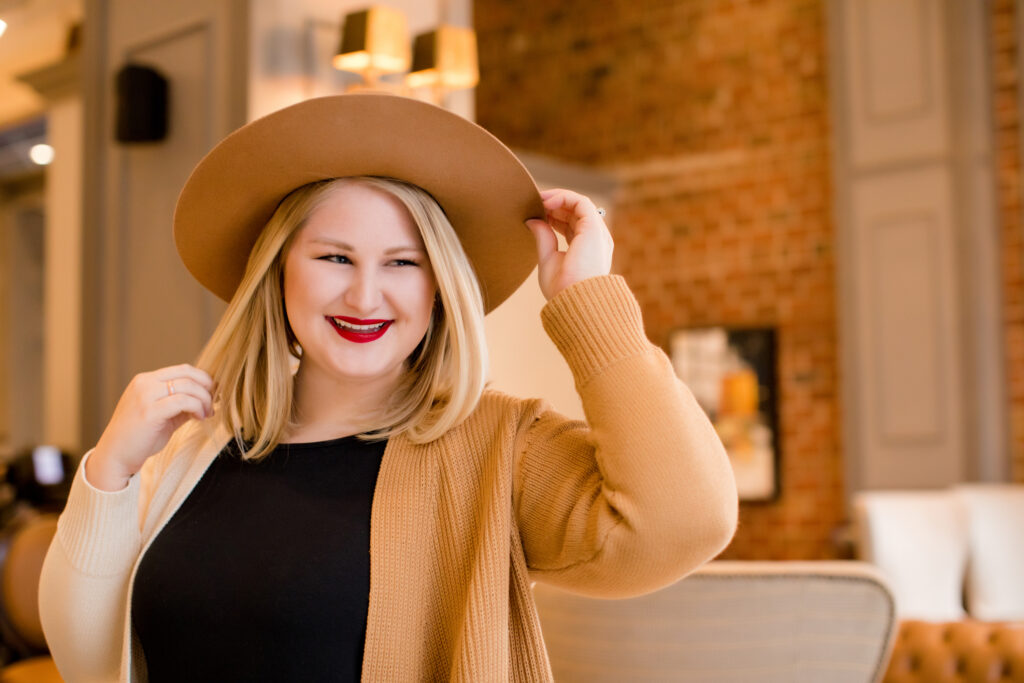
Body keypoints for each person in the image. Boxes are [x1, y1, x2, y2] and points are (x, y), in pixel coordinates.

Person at [38, 93, 738, 682]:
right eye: (335, 256)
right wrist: (110, 472)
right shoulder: (198, 447)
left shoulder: (498, 446)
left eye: (402, 262)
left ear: (438, 288)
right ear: (280, 273)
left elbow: (687, 521)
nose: (366, 294)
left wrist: (587, 300)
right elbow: (85, 659)